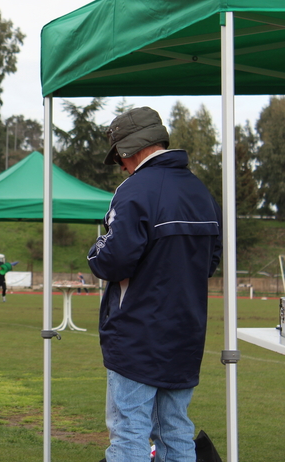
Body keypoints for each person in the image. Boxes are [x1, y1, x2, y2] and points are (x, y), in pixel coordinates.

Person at [87, 107, 222, 462]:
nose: (120, 164)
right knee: (176, 431)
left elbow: (112, 260)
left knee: (129, 433)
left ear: (131, 149)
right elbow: (212, 260)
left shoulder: (134, 191)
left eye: (119, 155)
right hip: (186, 333)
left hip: (137, 335)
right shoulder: (201, 192)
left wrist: (93, 251)